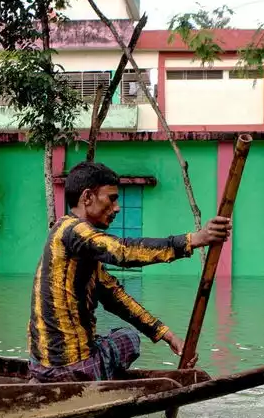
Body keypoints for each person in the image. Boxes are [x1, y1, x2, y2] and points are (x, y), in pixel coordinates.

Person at [27, 161, 231, 383]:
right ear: (87, 197)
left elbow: (116, 297)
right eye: (112, 198)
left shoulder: (69, 239)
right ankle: (95, 379)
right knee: (128, 338)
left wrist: (167, 335)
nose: (117, 208)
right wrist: (194, 239)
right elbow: (122, 252)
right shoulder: (74, 231)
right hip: (72, 371)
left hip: (41, 369)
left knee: (109, 336)